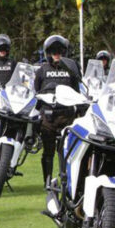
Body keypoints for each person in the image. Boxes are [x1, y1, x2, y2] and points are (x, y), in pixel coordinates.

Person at [34, 35, 82, 185]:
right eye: (53, 52)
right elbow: (36, 92)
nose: (57, 54)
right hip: (47, 118)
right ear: (48, 53)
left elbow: (77, 92)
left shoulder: (71, 69)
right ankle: (47, 182)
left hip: (67, 117)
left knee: (65, 152)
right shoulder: (42, 70)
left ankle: (65, 182)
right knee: (48, 152)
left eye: (59, 51)